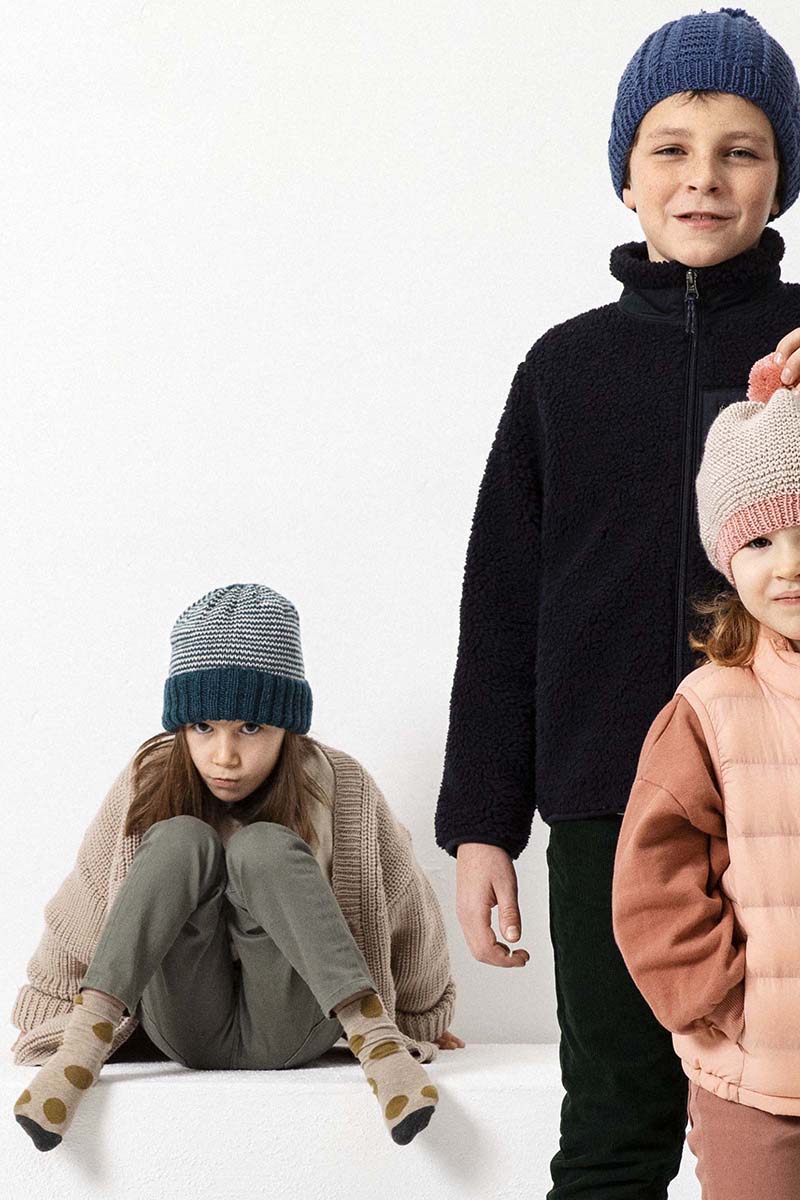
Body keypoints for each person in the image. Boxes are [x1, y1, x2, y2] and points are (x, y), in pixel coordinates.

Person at [434, 8, 800, 1197]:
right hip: (606, 804)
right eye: (669, 148)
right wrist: (482, 823)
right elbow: (501, 605)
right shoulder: (564, 368)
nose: (703, 178)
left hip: (784, 791)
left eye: (740, 150)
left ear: (781, 174)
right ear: (624, 174)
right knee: (612, 1123)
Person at [11, 583, 460, 1152]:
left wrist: (421, 1016)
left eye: (250, 728)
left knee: (262, 848)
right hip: (185, 1022)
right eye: (204, 727)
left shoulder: (339, 784)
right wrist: (49, 1011)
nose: (224, 755)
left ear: (286, 726)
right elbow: (90, 900)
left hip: (297, 1022)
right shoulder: (150, 778)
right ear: (182, 725)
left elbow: (402, 903)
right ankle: (80, 1052)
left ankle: (379, 1047)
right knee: (179, 839)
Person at [612, 351, 800, 1198]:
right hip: (756, 1080)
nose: (788, 563)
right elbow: (654, 882)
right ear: (728, 557)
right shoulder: (708, 708)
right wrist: (722, 1003)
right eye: (760, 540)